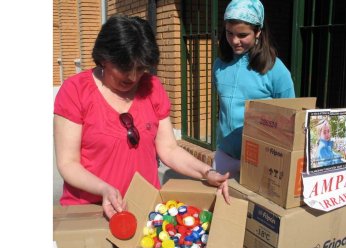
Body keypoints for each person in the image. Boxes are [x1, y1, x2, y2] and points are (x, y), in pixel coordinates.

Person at [54, 15, 230, 221]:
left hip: (144, 208)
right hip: (90, 212)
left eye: (140, 68)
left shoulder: (152, 87)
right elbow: (68, 163)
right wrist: (104, 189)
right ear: (103, 57)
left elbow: (169, 149)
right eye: (124, 68)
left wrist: (207, 172)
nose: (133, 77)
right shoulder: (76, 91)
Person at [212, 0, 296, 182]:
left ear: (258, 32)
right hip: (224, 157)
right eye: (229, 33)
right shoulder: (219, 66)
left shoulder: (275, 69)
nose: (234, 41)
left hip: (262, 162)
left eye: (243, 35)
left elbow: (290, 119)